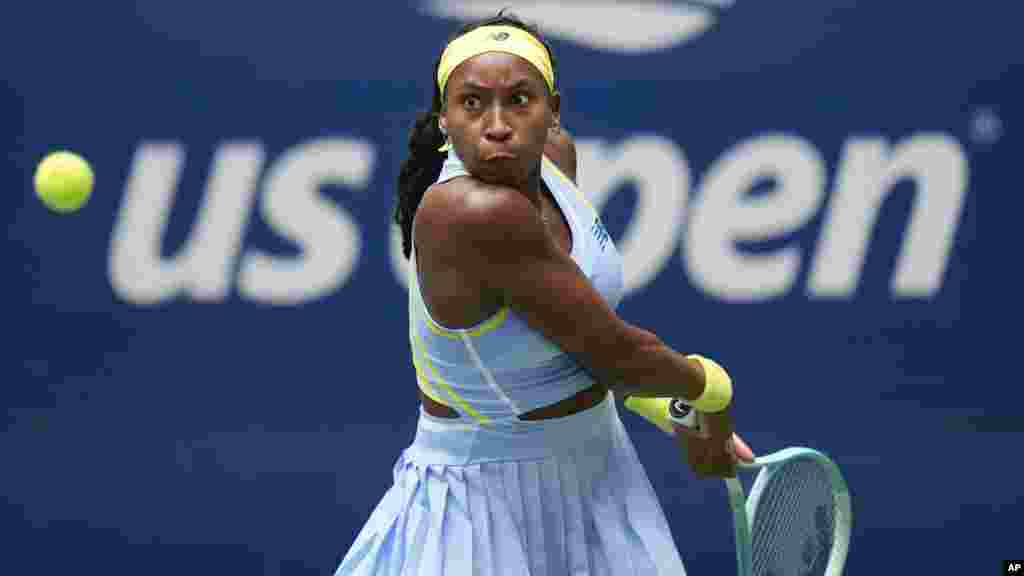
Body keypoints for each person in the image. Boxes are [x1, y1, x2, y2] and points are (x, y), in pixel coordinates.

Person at [335, 11, 752, 575]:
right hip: (483, 505)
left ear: (553, 111)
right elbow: (618, 354)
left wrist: (669, 406)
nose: (498, 124)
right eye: (473, 103)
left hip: (597, 473)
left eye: (519, 100)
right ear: (445, 120)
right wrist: (711, 391)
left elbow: (572, 334)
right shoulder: (470, 212)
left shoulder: (556, 161)